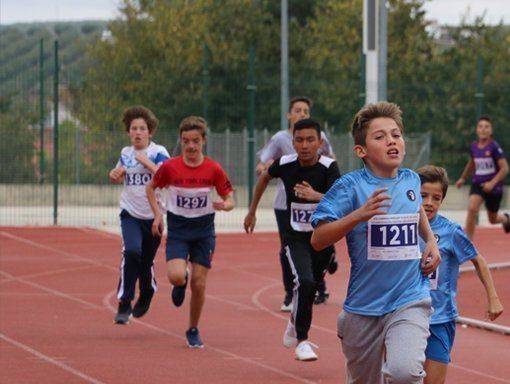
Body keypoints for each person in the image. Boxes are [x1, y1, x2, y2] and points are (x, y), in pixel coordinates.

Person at [310, 102, 440, 384]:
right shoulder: (350, 186)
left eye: (397, 135)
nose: (392, 141)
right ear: (362, 150)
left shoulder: (409, 180)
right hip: (363, 311)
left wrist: (432, 243)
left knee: (405, 373)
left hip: (409, 299)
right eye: (381, 136)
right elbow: (317, 238)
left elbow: (417, 214)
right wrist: (358, 216)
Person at [413, 165, 503, 384]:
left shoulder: (451, 232)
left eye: (435, 198)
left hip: (441, 318)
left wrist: (493, 297)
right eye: (423, 195)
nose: (428, 202)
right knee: (404, 376)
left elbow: (479, 260)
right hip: (406, 313)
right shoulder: (401, 226)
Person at [244, 118, 340, 361]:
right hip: (294, 236)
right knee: (305, 282)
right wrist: (252, 211)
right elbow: (264, 178)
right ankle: (302, 340)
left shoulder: (329, 167)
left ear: (320, 142)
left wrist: (314, 195)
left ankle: (293, 322)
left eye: (310, 140)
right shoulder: (285, 163)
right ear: (293, 142)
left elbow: (340, 200)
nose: (304, 145)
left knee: (311, 286)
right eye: (299, 140)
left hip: (322, 237)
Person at [146, 116, 235, 348]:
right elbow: (151, 187)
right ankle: (180, 280)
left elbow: (230, 197)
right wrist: (157, 214)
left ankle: (193, 328)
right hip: (179, 230)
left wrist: (226, 205)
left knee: (200, 282)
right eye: (186, 141)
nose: (191, 146)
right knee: (176, 276)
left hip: (204, 232)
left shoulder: (213, 169)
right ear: (181, 141)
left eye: (195, 141)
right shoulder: (170, 167)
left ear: (203, 141)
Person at [255, 96, 338, 311]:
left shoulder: (321, 138)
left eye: (305, 111)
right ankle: (290, 293)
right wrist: (263, 167)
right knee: (288, 249)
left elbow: (330, 159)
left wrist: (319, 192)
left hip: (315, 202)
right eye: (297, 110)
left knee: (317, 246)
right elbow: (265, 162)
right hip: (286, 203)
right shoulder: (280, 139)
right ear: (289, 115)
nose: (301, 113)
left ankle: (320, 283)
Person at [109, 106, 170, 324]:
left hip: (154, 216)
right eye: (133, 128)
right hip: (130, 213)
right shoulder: (125, 153)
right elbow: (117, 172)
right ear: (128, 132)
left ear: (149, 132)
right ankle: (124, 302)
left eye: (142, 128)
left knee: (145, 261)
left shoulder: (158, 151)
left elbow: (166, 176)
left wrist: (148, 163)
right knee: (131, 252)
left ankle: (147, 291)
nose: (137, 132)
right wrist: (114, 173)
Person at [454, 116, 510, 239]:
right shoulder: (474, 147)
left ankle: (505, 219)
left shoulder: (494, 147)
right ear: (477, 130)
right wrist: (463, 178)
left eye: (486, 127)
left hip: (494, 187)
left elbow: (505, 168)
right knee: (472, 209)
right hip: (478, 184)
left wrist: (492, 183)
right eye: (480, 126)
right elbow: (472, 163)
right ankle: (468, 242)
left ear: (491, 130)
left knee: (493, 219)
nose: (483, 129)